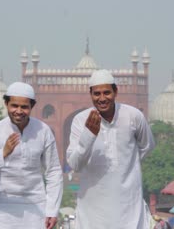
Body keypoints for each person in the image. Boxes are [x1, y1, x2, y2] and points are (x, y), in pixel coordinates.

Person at [66, 69, 156, 229]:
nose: (102, 98)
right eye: (97, 94)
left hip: (127, 203)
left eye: (106, 92)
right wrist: (88, 136)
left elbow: (147, 146)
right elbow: (75, 164)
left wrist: (127, 164)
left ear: (115, 92)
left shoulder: (133, 116)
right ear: (90, 94)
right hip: (93, 205)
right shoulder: (80, 121)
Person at [0, 82, 63, 229]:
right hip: (1, 211)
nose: (19, 111)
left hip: (35, 209)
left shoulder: (43, 131)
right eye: (14, 106)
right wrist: (3, 153)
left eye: (24, 107)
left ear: (32, 107)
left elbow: (53, 172)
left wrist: (52, 210)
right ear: (6, 104)